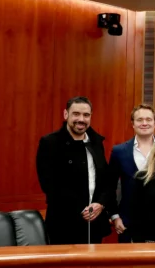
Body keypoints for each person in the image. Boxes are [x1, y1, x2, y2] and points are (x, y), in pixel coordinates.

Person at [36, 96, 114, 244]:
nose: (81, 119)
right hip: (64, 224)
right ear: (66, 115)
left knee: (95, 266)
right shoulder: (50, 143)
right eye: (76, 114)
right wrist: (83, 209)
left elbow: (106, 180)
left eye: (86, 115)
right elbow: (50, 185)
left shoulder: (96, 142)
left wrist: (100, 204)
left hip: (95, 223)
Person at [107, 104, 155, 242]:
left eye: (149, 119)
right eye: (139, 119)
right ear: (133, 124)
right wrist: (114, 216)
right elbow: (109, 187)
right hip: (127, 223)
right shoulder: (119, 151)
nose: (144, 123)